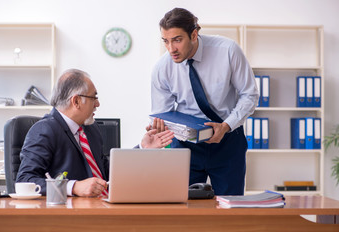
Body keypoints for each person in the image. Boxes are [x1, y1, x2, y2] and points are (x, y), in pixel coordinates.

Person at [151, 8, 259, 195]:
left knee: (229, 207)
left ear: (194, 34)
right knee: (181, 207)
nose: (171, 49)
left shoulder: (227, 51)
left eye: (177, 40)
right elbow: (164, 113)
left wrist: (226, 126)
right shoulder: (162, 68)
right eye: (166, 41)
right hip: (185, 145)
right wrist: (159, 128)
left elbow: (249, 94)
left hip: (227, 140)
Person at [16, 69, 174, 197]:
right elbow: (25, 181)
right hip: (71, 216)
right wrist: (74, 187)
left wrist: (142, 149)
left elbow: (106, 171)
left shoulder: (91, 128)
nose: (98, 104)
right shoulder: (44, 130)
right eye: (94, 98)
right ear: (76, 101)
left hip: (103, 206)